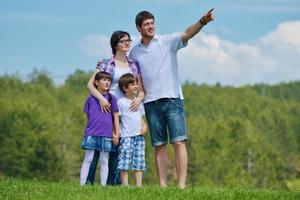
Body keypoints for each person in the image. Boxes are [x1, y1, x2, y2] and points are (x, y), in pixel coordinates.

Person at [129, 9, 214, 188]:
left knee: (178, 142)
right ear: (139, 28)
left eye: (152, 23)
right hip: (151, 103)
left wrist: (202, 21)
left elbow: (187, 33)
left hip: (173, 99)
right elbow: (134, 79)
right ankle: (163, 186)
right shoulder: (134, 53)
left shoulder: (167, 41)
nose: (151, 26)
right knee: (159, 145)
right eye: (146, 24)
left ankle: (181, 186)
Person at [86, 31, 145, 185]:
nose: (127, 43)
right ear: (115, 45)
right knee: (99, 146)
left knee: (120, 146)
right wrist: (101, 100)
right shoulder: (106, 63)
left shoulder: (133, 65)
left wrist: (138, 99)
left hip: (127, 111)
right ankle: (88, 182)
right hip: (106, 109)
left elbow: (142, 89)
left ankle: (114, 183)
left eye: (128, 40)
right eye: (123, 41)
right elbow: (90, 85)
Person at [79, 71, 119, 186]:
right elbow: (87, 117)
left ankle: (103, 186)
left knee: (104, 161)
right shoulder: (90, 99)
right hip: (91, 134)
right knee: (88, 159)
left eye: (109, 80)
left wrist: (116, 133)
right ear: (96, 82)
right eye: (104, 80)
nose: (107, 82)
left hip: (107, 135)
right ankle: (82, 185)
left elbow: (116, 117)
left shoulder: (112, 99)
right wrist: (87, 132)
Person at [117, 73, 147, 187]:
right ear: (125, 88)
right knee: (124, 162)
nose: (136, 86)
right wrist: (116, 132)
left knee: (139, 162)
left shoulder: (139, 102)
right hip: (126, 136)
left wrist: (144, 126)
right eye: (133, 84)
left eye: (136, 84)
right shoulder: (121, 102)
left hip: (139, 136)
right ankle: (125, 185)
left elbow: (141, 118)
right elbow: (118, 119)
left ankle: (139, 186)